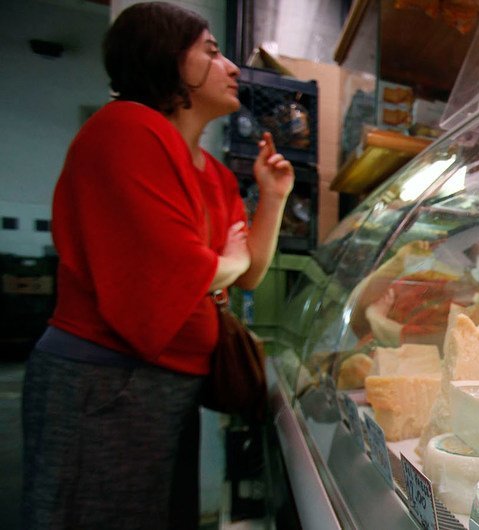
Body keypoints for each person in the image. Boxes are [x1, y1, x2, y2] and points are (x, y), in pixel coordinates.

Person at [21, 3, 293, 528]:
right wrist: (223, 262)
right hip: (104, 379)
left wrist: (273, 198)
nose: (232, 67)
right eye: (212, 53)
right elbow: (169, 270)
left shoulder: (213, 174)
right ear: (167, 60)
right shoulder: (126, 128)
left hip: (168, 382)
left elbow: (248, 271)